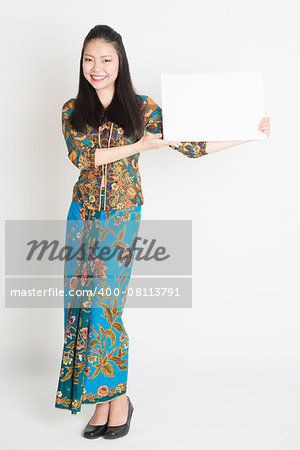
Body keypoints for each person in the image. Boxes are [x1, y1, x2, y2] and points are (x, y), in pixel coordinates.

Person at [54, 24, 271, 440]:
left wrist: (248, 133)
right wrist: (138, 147)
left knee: (105, 309)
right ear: (81, 62)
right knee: (80, 308)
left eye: (105, 60)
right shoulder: (71, 109)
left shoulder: (141, 107)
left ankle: (117, 400)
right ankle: (103, 403)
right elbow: (83, 158)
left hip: (119, 218)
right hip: (80, 215)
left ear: (120, 63)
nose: (96, 68)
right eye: (89, 59)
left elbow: (190, 143)